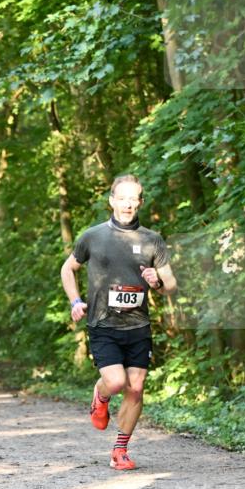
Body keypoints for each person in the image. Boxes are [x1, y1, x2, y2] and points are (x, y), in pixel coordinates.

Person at [60, 174, 177, 470]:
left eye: (133, 199)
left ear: (140, 202)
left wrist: (157, 280)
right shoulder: (93, 236)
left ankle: (120, 451)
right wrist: (75, 301)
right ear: (111, 200)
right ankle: (100, 396)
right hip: (103, 324)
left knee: (136, 388)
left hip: (138, 326)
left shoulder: (152, 240)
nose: (127, 204)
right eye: (122, 198)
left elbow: (171, 284)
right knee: (116, 382)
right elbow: (67, 269)